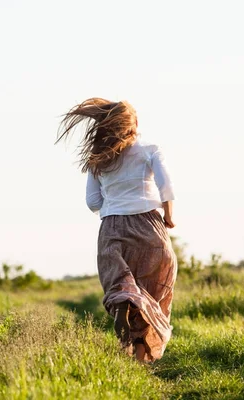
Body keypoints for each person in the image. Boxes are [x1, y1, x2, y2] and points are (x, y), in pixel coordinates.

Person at [56, 98, 178, 363]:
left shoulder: (98, 159)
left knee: (124, 289)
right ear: (133, 125)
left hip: (112, 229)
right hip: (149, 227)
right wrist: (168, 216)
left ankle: (125, 306)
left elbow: (92, 202)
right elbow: (166, 185)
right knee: (152, 295)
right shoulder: (150, 149)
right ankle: (141, 358)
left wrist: (113, 204)